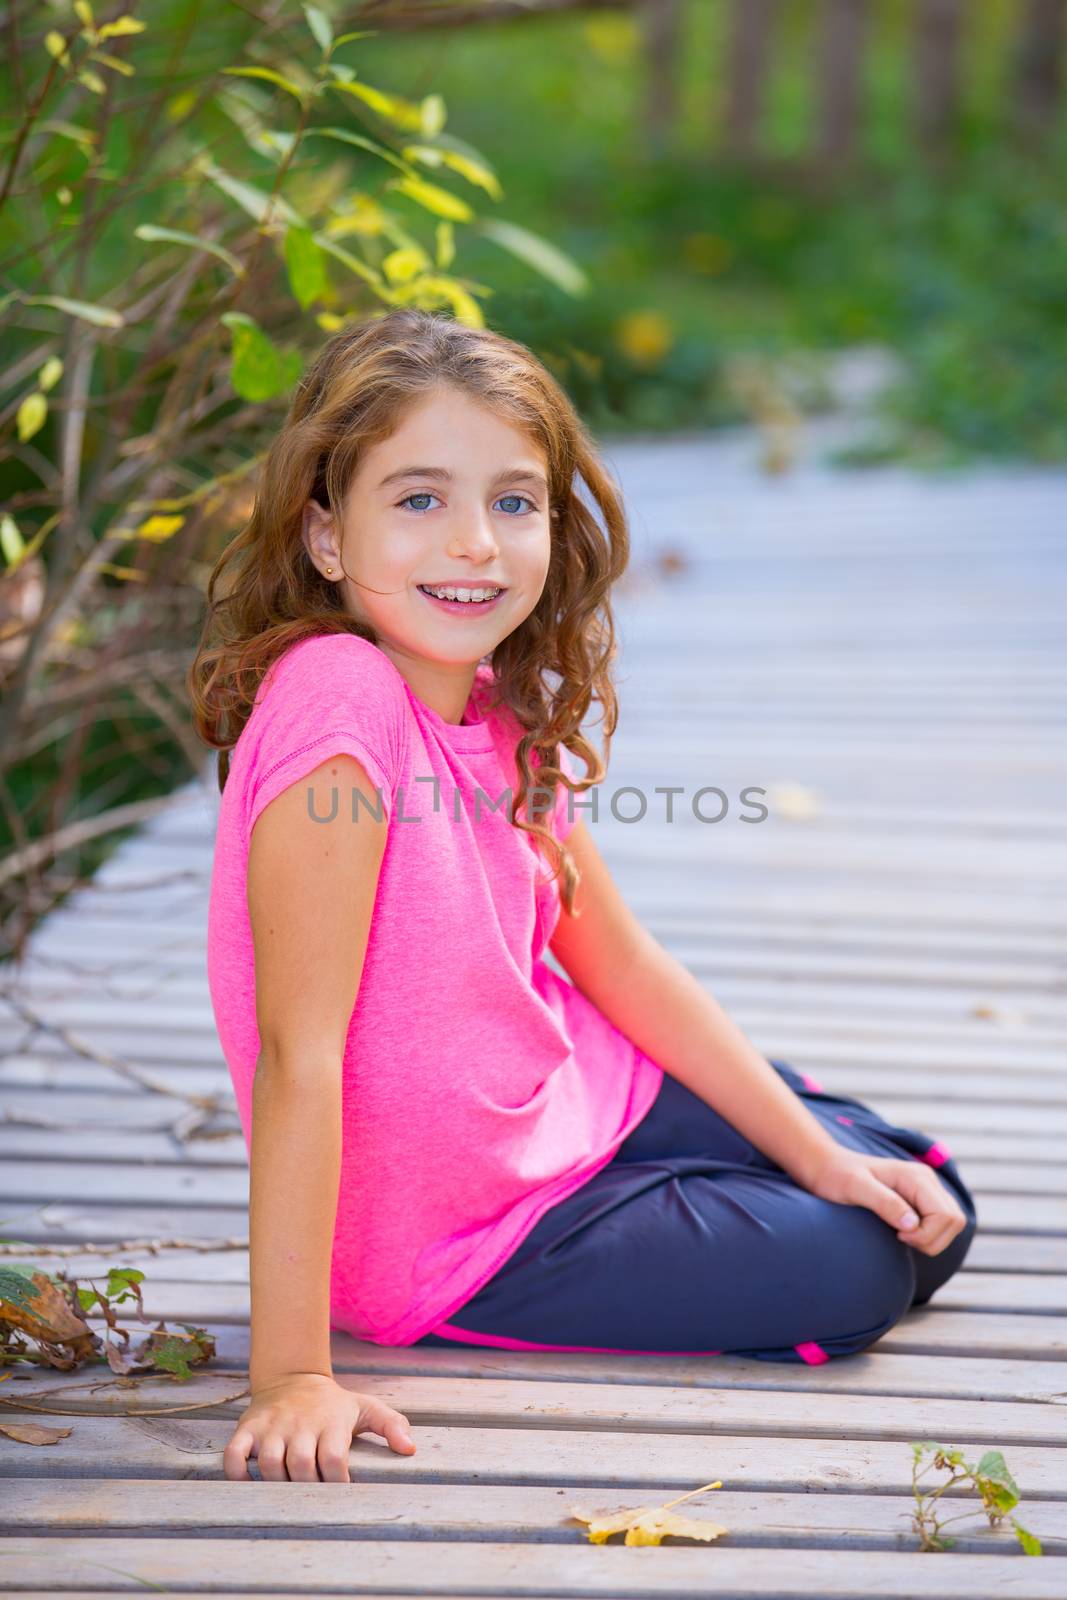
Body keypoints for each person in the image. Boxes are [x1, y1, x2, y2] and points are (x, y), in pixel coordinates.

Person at [190, 308, 976, 1485]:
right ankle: (698, 1191)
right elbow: (296, 1054)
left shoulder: (494, 696)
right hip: (451, 1231)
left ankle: (743, 1163)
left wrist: (810, 1153)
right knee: (862, 1269)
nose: (474, 544)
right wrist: (294, 1370)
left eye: (513, 502)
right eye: (417, 500)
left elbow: (610, 952)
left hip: (564, 1091)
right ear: (324, 534)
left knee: (919, 1193)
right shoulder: (337, 696)